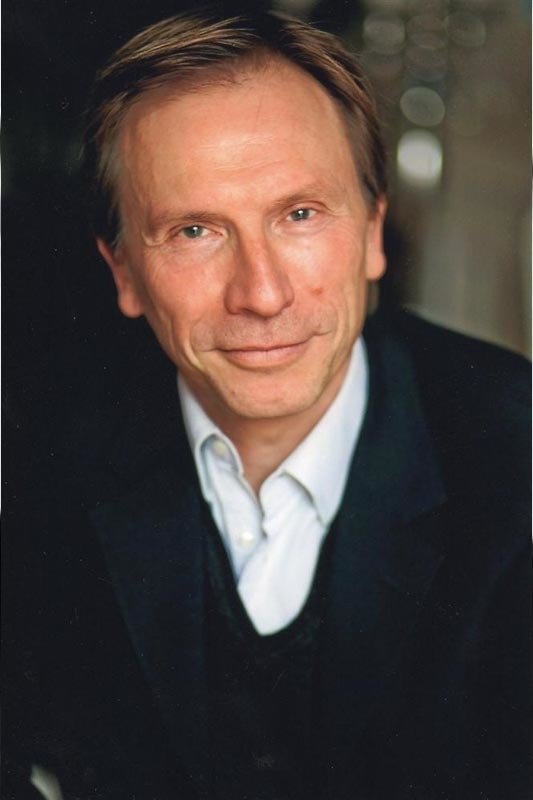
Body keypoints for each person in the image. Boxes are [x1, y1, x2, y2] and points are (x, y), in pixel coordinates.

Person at [3, 9, 531, 800]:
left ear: (373, 233)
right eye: (194, 231)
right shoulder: (39, 459)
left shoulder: (517, 453)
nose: (261, 292)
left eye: (299, 214)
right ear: (123, 273)